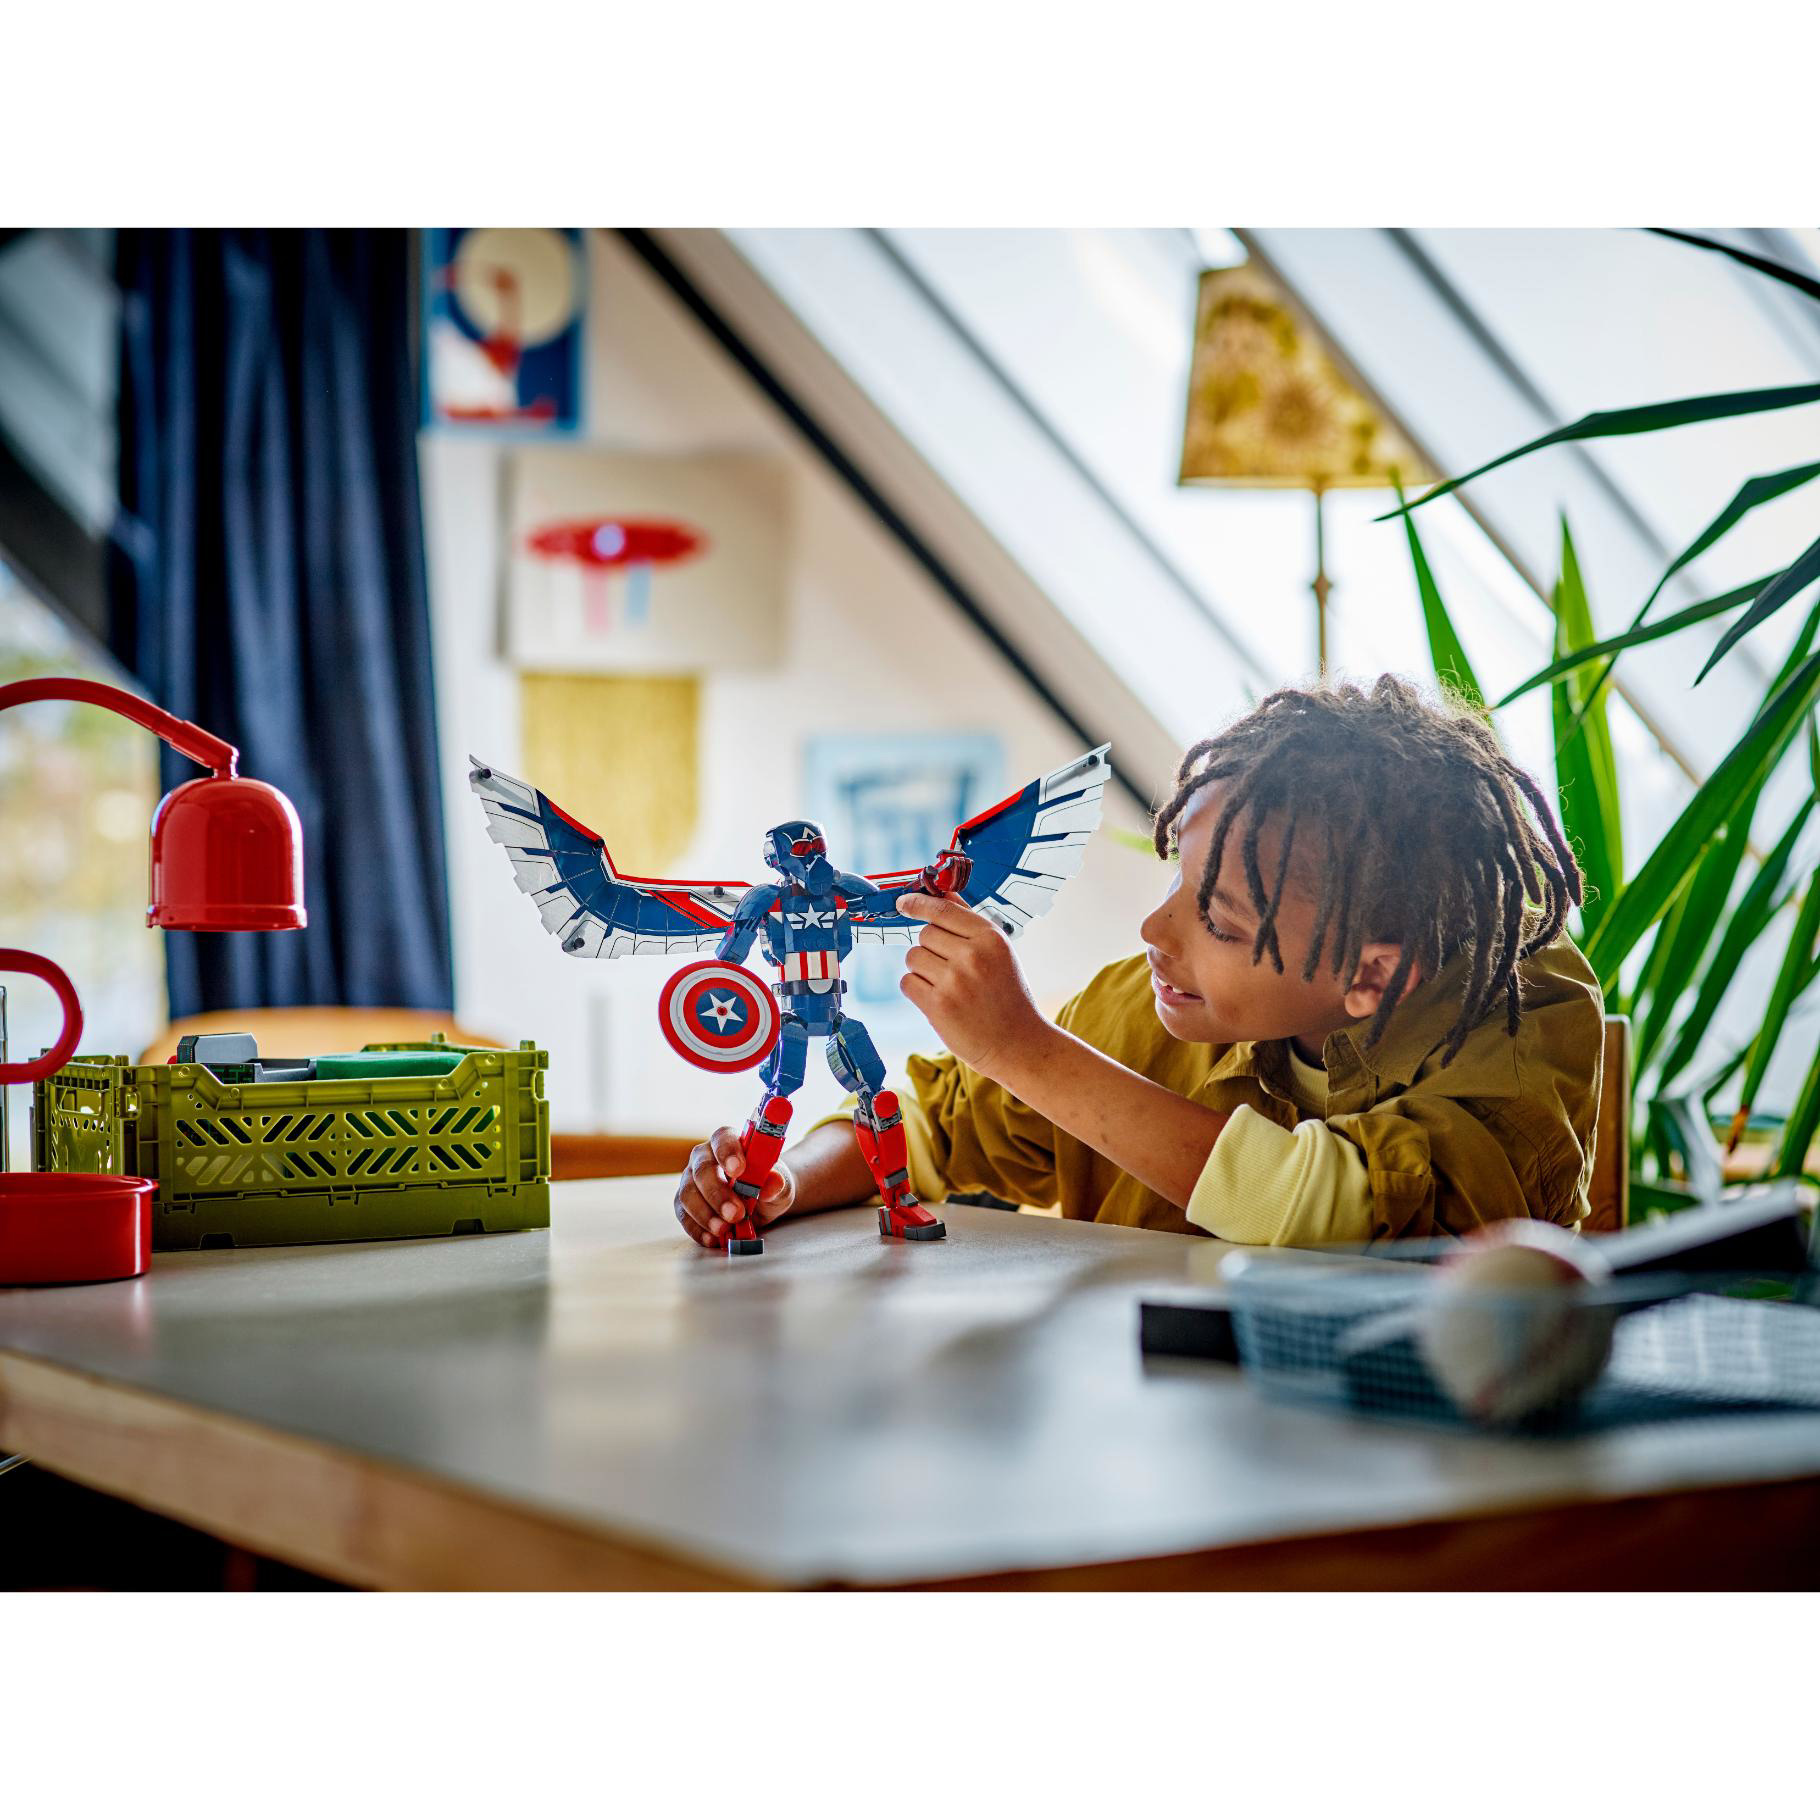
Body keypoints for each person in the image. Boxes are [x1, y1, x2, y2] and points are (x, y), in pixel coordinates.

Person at [671, 675, 1607, 1249]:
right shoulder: (1141, 1009)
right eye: (1176, 880)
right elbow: (929, 1122)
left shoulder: (1523, 1018)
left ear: (1371, 977)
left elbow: (1335, 1210)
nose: (1157, 931)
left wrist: (1025, 1049)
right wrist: (789, 1179)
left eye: (1219, 920)